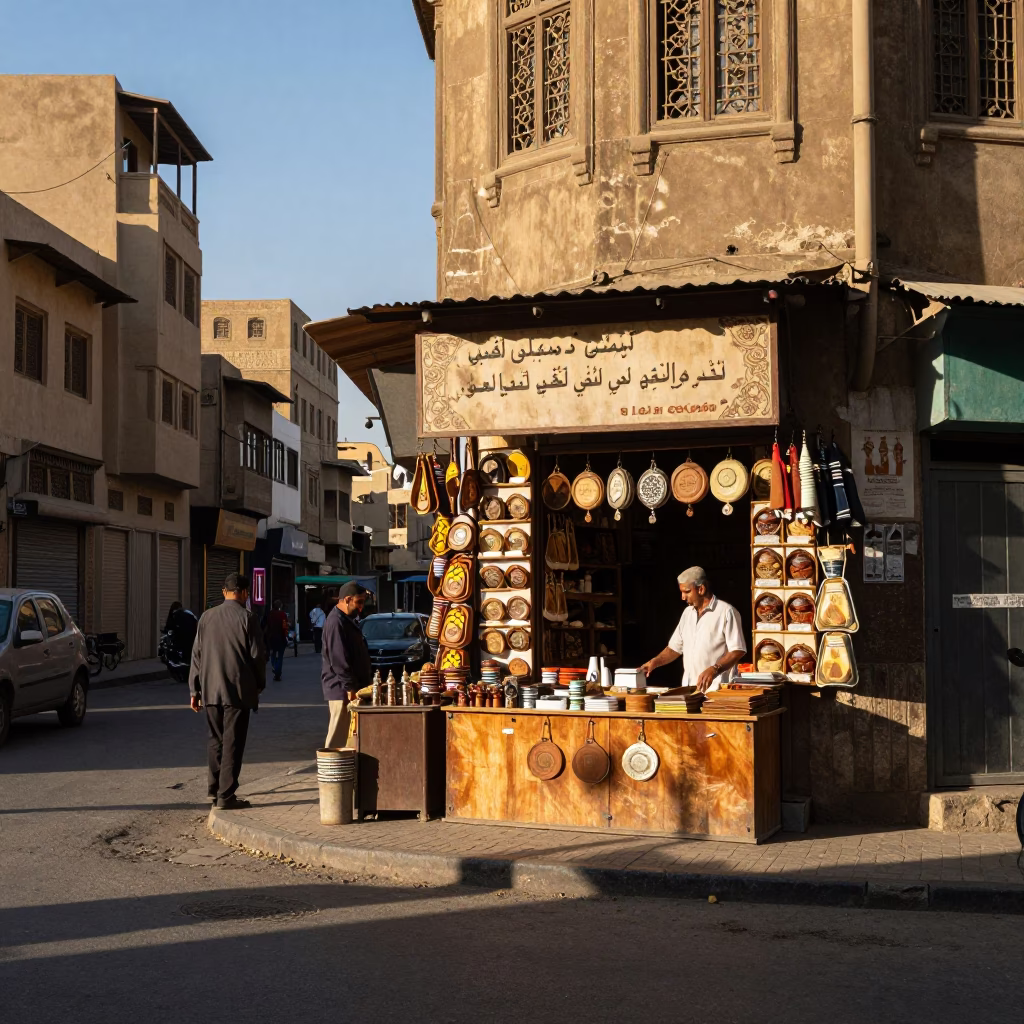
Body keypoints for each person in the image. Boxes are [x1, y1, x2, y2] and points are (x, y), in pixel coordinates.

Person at [188, 573, 268, 810]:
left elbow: (197, 655)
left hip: (210, 690)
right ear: (244, 593)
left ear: (224, 592)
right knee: (233, 742)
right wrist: (258, 685)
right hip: (237, 691)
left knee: (216, 741)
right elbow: (258, 657)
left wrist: (195, 689)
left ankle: (214, 791)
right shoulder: (248, 618)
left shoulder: (206, 617)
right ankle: (226, 796)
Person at [639, 566, 747, 693]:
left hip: (717, 691)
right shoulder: (687, 613)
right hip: (690, 690)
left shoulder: (726, 612)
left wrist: (714, 669)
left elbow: (737, 650)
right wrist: (655, 662)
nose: (683, 597)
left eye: (687, 592)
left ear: (701, 589)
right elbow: (674, 648)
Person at [321, 581, 371, 749]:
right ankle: (330, 772)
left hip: (350, 687)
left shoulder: (347, 620)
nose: (361, 608)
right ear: (348, 599)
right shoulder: (336, 622)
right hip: (341, 689)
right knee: (337, 738)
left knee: (348, 736)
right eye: (359, 602)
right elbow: (339, 660)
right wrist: (350, 688)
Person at [264, 599, 289, 681]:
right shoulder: (282, 614)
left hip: (271, 637)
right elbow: (284, 626)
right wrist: (286, 635)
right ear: (280, 606)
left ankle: (274, 666)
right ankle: (278, 671)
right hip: (281, 637)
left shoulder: (270, 614)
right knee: (280, 656)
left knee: (273, 654)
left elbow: (266, 625)